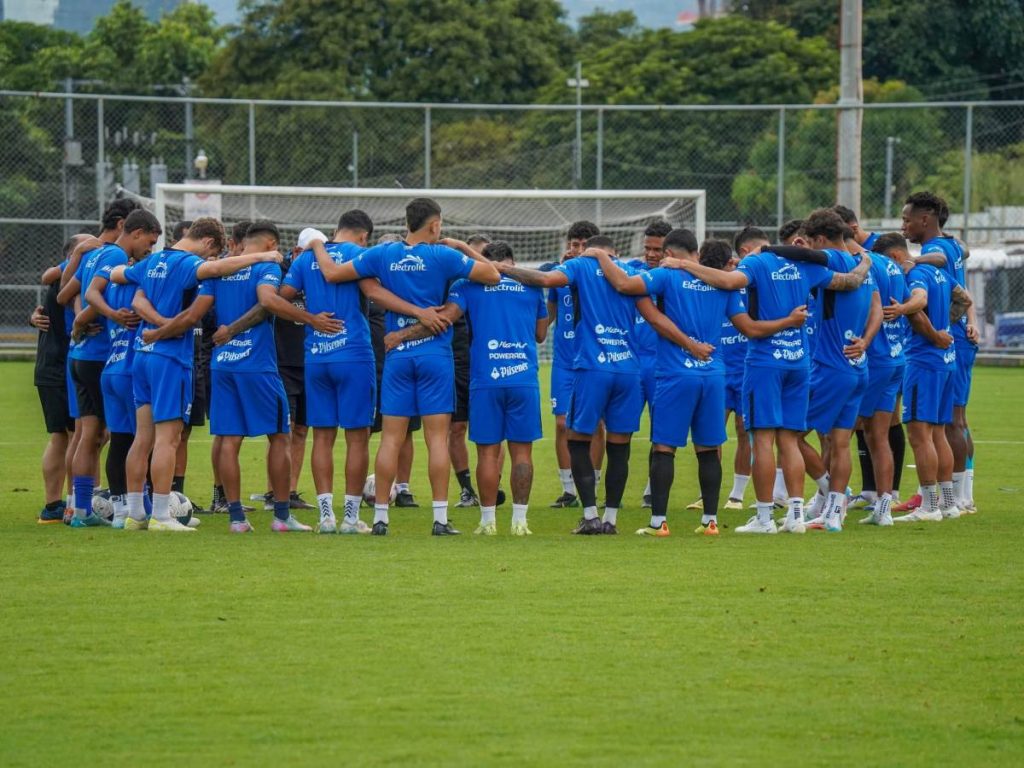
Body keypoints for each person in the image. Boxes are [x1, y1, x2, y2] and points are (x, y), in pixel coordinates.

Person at [309, 197, 500, 535]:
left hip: (398, 356)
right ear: (435, 225)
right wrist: (461, 247)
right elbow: (492, 274)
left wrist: (319, 245)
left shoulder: (384, 254)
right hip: (435, 356)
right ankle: (440, 520)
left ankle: (381, 517)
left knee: (391, 440)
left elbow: (334, 273)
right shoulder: (443, 255)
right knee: (437, 439)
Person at [596, 234, 807, 536]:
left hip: (675, 373)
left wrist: (600, 256)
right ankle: (710, 521)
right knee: (709, 448)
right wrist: (788, 321)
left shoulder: (666, 275)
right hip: (713, 375)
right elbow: (748, 328)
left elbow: (623, 284)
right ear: (695, 252)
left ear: (669, 253)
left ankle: (658, 523)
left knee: (664, 448)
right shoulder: (721, 283)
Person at [665, 231, 872, 534]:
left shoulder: (757, 264)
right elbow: (848, 282)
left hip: (766, 363)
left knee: (762, 439)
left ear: (749, 249)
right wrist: (865, 259)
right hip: (799, 362)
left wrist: (684, 265)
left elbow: (727, 281)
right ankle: (797, 516)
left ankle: (764, 518)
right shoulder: (802, 266)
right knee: (790, 440)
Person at [107, 218, 283, 532]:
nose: (208, 260)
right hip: (169, 358)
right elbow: (213, 271)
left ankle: (134, 514)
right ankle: (162, 515)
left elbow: (117, 275)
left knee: (143, 437)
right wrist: (262, 256)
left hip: (142, 357)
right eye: (210, 253)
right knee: (168, 438)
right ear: (208, 243)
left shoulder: (151, 260)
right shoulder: (189, 263)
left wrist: (155, 324)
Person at [385, 241, 548, 535]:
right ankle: (520, 521)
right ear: (513, 261)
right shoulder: (532, 288)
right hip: (524, 379)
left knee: (487, 453)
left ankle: (487, 522)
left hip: (486, 379)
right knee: (522, 453)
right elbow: (540, 334)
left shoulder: (468, 286)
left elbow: (444, 319)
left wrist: (401, 334)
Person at [497, 235, 642, 535]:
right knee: (619, 447)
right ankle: (611, 520)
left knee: (576, 438)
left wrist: (504, 269)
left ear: (590, 251)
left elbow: (546, 278)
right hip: (629, 369)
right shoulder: (631, 273)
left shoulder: (581, 267)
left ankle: (590, 515)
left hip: (593, 367)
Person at [197, 220, 311, 533]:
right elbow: (267, 301)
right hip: (257, 365)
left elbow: (199, 310)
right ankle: (282, 516)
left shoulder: (219, 269)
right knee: (279, 436)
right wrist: (309, 318)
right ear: (271, 244)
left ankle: (236, 519)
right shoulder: (268, 267)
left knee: (230, 441)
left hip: (223, 364)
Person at [65, 210, 163, 527]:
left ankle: (79, 509)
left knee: (90, 434)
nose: (148, 249)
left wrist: (81, 320)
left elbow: (70, 294)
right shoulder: (118, 255)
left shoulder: (96, 253)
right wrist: (107, 315)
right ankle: (137, 505)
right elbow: (94, 296)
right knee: (129, 437)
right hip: (102, 357)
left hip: (83, 355)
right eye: (148, 242)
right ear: (134, 232)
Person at [796, 210, 881, 533]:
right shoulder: (866, 267)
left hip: (830, 367)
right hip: (858, 366)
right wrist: (867, 341)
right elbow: (875, 307)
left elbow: (798, 256)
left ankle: (831, 491)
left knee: (788, 434)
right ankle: (832, 514)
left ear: (819, 239)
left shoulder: (829, 259)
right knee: (840, 441)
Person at [882, 228, 972, 522]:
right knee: (937, 433)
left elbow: (919, 301)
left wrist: (905, 310)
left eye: (888, 264)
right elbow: (965, 298)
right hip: (945, 362)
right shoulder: (939, 273)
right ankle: (948, 503)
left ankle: (929, 506)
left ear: (896, 256)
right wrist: (946, 326)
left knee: (920, 437)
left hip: (924, 362)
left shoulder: (914, 276)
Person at [904, 192, 980, 513]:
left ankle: (958, 497)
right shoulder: (951, 244)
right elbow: (963, 257)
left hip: (947, 343)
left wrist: (912, 260)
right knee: (949, 421)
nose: (904, 225)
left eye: (908, 219)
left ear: (926, 219)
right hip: (957, 338)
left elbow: (935, 260)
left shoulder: (934, 251)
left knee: (945, 423)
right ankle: (957, 495)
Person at [30, 234, 91, 523]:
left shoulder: (68, 276)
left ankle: (66, 503)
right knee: (68, 436)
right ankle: (62, 505)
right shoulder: (70, 273)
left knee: (72, 436)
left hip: (54, 367)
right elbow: (48, 275)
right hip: (58, 367)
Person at [546, 220, 604, 509]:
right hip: (565, 361)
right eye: (574, 244)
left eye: (584, 245)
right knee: (561, 424)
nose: (577, 249)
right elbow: (545, 321)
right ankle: (568, 489)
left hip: (593, 360)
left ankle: (591, 484)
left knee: (594, 425)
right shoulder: (560, 277)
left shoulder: (601, 275)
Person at [854, 231, 911, 526]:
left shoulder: (867, 262)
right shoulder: (895, 268)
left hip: (874, 359)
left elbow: (873, 308)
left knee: (835, 431)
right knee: (879, 435)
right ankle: (884, 508)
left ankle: (828, 504)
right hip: (895, 357)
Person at [625, 220, 672, 508]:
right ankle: (609, 488)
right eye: (648, 248)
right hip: (631, 362)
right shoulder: (633, 271)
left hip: (662, 363)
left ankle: (652, 487)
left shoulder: (678, 275)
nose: (651, 254)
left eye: (658, 249)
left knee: (661, 429)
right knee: (620, 427)